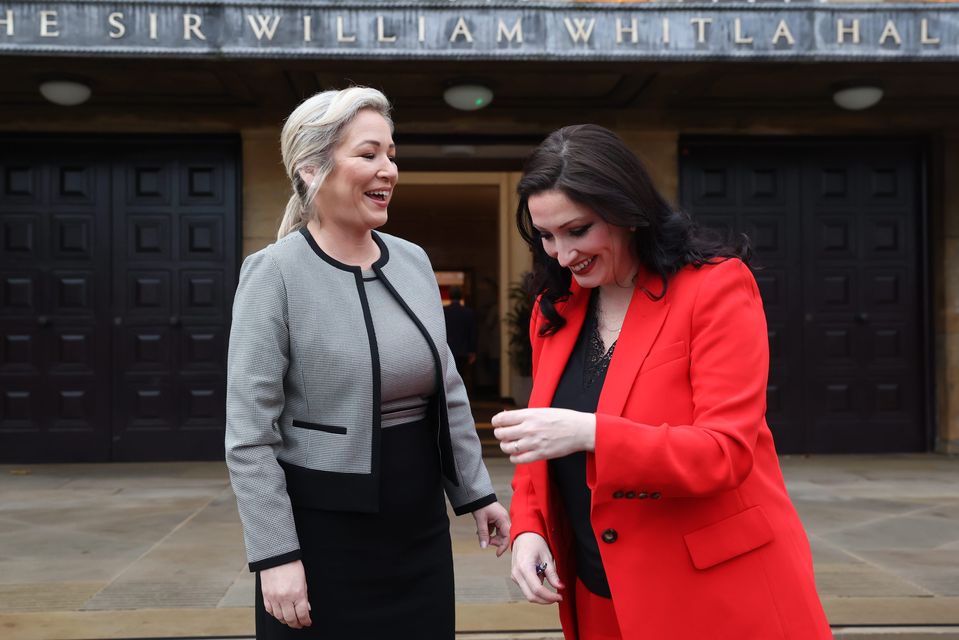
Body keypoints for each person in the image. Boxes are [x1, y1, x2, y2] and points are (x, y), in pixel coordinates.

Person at [492, 124, 831, 639]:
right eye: (546, 235)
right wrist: (529, 527)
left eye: (577, 230)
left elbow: (725, 453)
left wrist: (592, 433)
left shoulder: (715, 288)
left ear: (627, 212)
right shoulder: (554, 310)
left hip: (715, 593)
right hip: (597, 593)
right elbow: (541, 439)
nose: (561, 254)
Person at [225, 86, 510, 639]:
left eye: (392, 155)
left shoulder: (413, 260)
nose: (389, 170)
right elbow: (249, 434)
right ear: (311, 169)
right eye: (369, 154)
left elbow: (447, 387)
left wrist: (478, 493)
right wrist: (274, 555)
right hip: (322, 535)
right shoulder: (274, 274)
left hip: (418, 529)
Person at [443, 286, 477, 386]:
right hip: (463, 351)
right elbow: (472, 332)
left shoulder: (444, 312)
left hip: (447, 350)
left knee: (448, 376)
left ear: (449, 296)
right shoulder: (468, 312)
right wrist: (472, 351)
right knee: (460, 375)